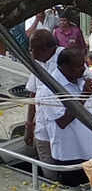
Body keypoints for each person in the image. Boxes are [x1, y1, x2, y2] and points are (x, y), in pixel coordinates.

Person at [40, 48, 92, 186]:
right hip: (72, 156)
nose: (83, 69)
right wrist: (84, 95)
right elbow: (62, 122)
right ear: (64, 67)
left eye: (84, 64)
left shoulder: (81, 78)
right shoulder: (49, 89)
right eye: (78, 66)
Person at [24, 29, 64, 180]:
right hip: (42, 127)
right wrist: (29, 125)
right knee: (48, 169)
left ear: (45, 49)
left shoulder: (66, 58)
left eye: (31, 49)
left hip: (63, 127)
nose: (30, 52)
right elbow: (32, 93)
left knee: (66, 168)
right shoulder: (37, 63)